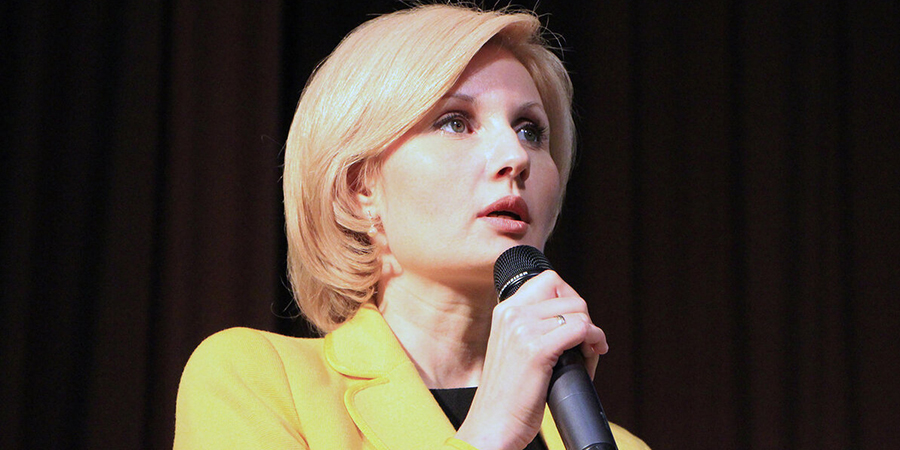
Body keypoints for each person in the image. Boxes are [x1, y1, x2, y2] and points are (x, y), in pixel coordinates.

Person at [174, 4, 650, 450]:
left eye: (530, 130)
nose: (515, 156)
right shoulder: (255, 380)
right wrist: (494, 428)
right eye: (455, 122)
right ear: (359, 187)